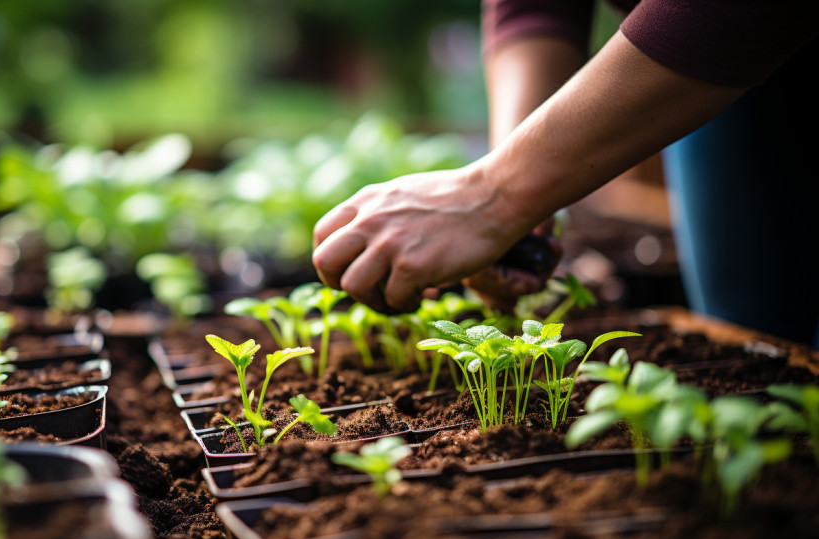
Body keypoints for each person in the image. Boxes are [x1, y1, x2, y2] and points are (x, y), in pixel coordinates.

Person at [312, 0, 819, 347]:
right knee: (756, 341)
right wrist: (517, 203)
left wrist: (493, 195)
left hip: (721, 31)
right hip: (703, 65)